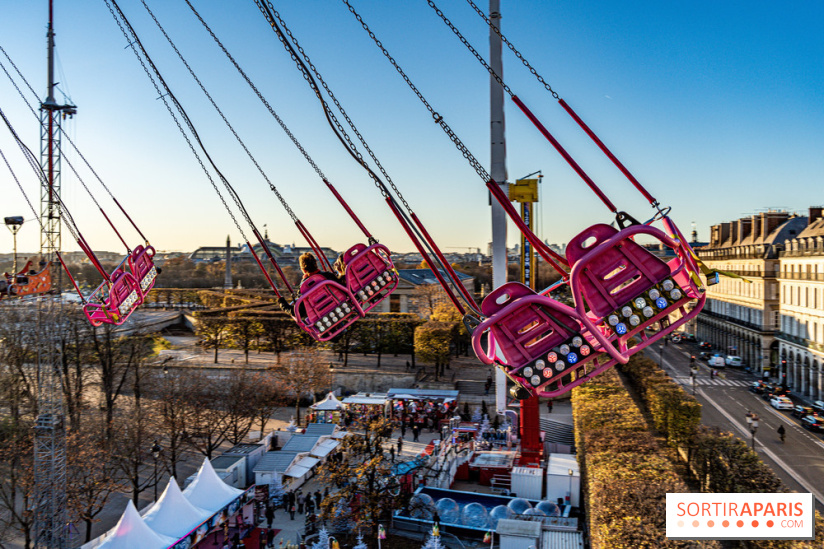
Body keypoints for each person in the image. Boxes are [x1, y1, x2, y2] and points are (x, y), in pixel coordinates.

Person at [276, 253, 342, 317]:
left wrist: (283, 305)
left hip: (319, 316)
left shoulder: (304, 288)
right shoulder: (328, 276)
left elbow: (299, 312)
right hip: (339, 307)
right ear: (316, 264)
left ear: (303, 270)